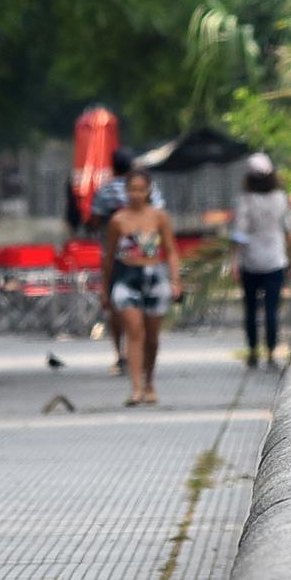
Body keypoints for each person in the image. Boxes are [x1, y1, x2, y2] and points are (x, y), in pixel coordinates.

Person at [102, 170, 181, 407]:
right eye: (132, 189)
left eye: (141, 189)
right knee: (134, 330)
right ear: (126, 191)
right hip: (127, 277)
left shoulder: (159, 217)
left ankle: (150, 383)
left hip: (154, 276)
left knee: (152, 336)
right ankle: (136, 387)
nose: (136, 194)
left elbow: (171, 250)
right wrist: (105, 288)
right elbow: (109, 256)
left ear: (149, 191)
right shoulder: (118, 220)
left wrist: (175, 280)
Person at [88, 147, 165, 376]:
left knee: (117, 311)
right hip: (145, 258)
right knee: (133, 314)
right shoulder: (153, 192)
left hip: (117, 260)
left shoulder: (105, 192)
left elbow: (94, 220)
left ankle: (122, 355)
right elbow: (159, 214)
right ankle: (135, 364)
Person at [232, 153, 291, 369]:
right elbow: (289, 232)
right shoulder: (280, 198)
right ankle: (270, 353)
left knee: (251, 309)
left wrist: (234, 260)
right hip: (275, 260)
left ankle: (253, 352)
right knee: (271, 309)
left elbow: (240, 233)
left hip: (250, 261)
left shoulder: (245, 199)